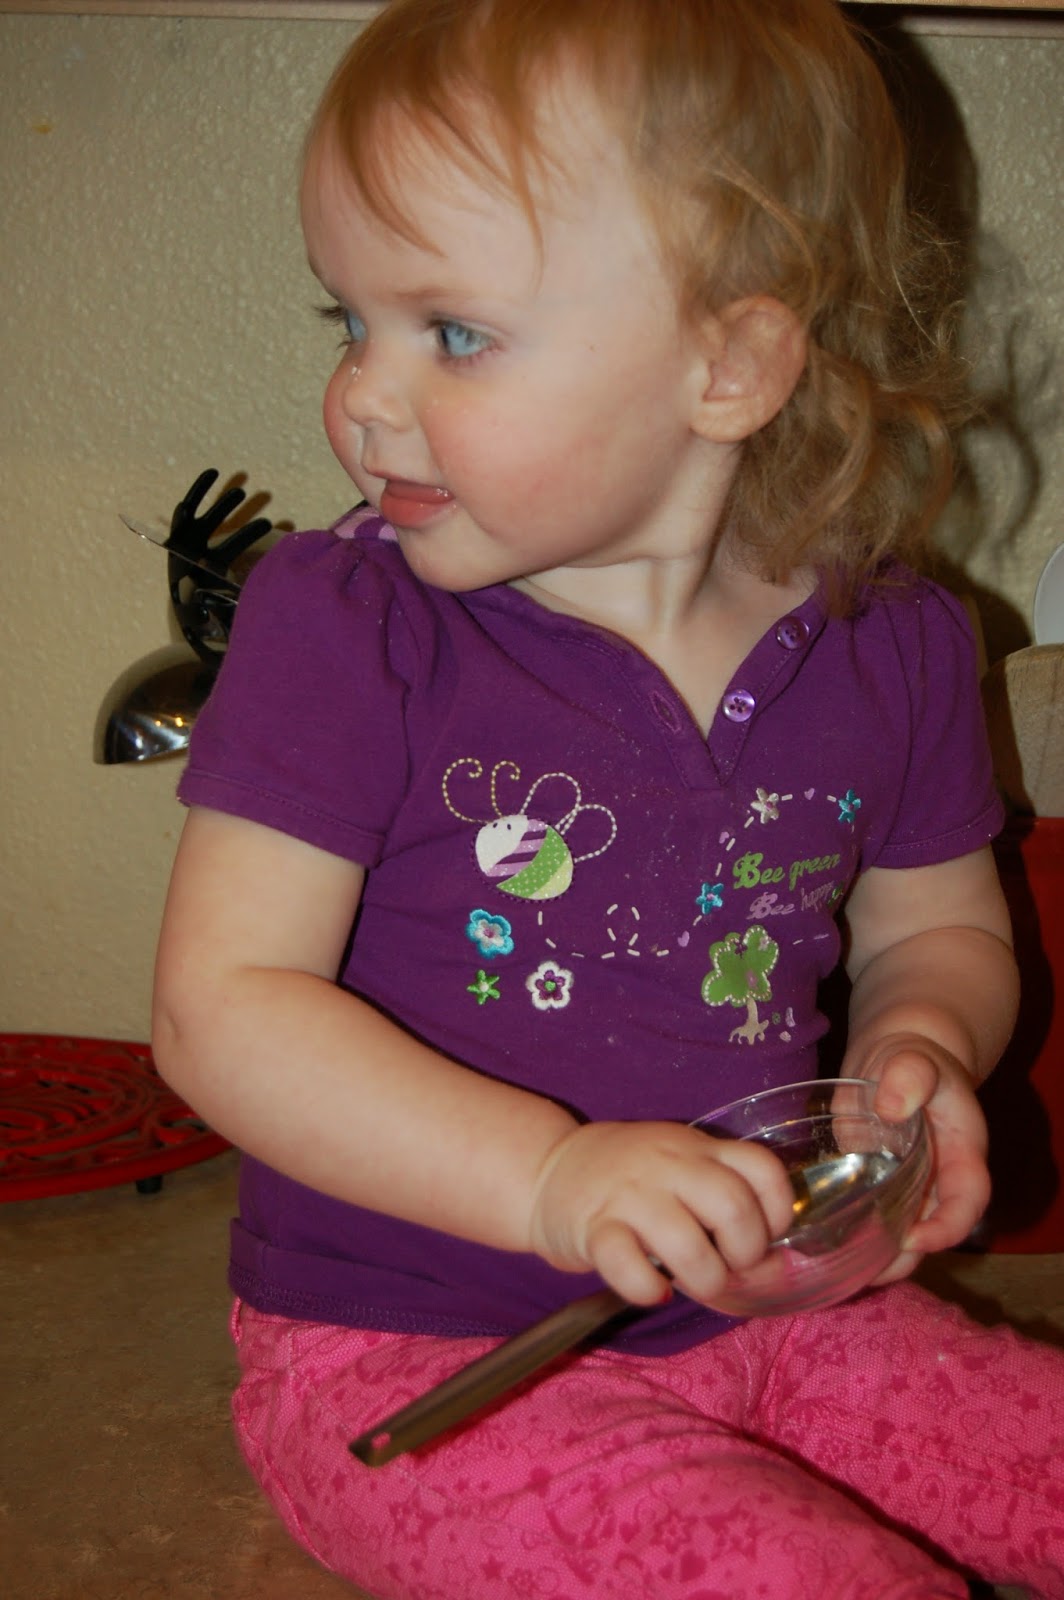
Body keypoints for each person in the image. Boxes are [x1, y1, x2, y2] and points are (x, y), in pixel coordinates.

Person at [152, 2, 1064, 1595]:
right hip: (425, 1360)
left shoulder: (898, 641)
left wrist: (919, 1049)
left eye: (451, 332)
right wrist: (548, 1180)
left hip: (788, 1296)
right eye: (348, 318)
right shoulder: (347, 627)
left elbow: (942, 931)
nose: (365, 395)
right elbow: (220, 1009)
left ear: (732, 362)